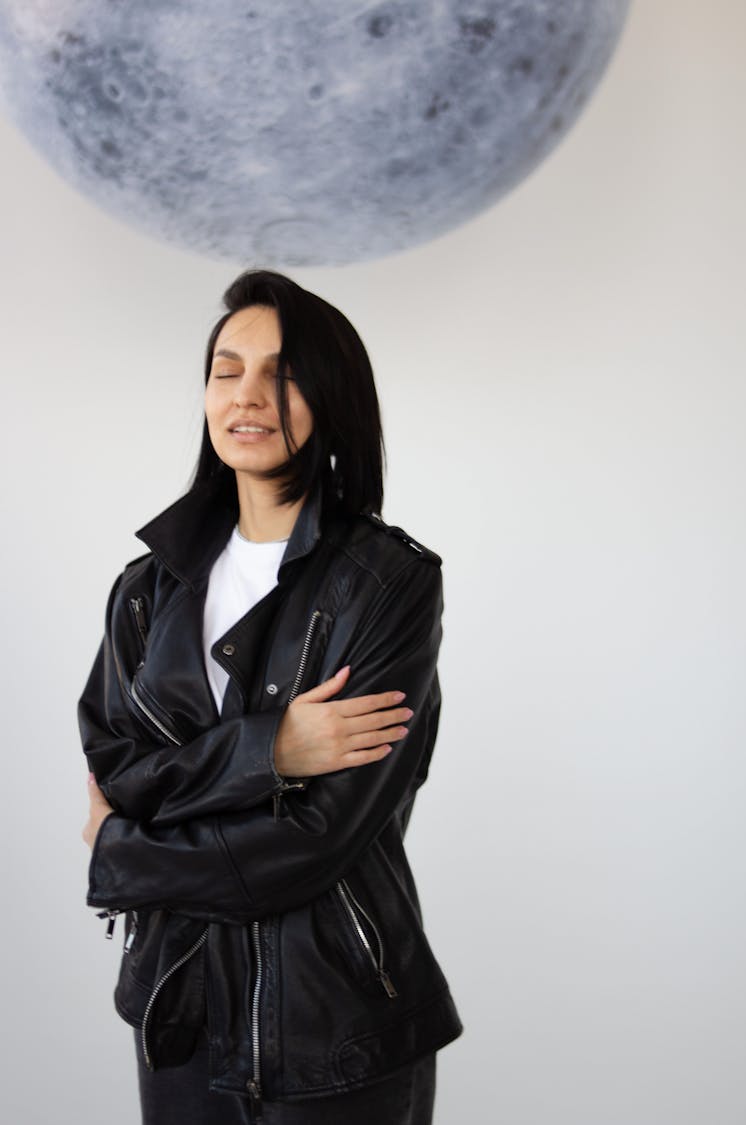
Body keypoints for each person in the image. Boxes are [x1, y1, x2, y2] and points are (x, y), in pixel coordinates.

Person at [79, 269, 462, 1124]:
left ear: (330, 396)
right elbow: (120, 770)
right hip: (178, 1011)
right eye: (227, 368)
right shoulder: (146, 588)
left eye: (281, 373)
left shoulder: (388, 584)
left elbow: (314, 840)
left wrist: (124, 857)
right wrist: (273, 748)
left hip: (336, 1025)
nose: (247, 395)